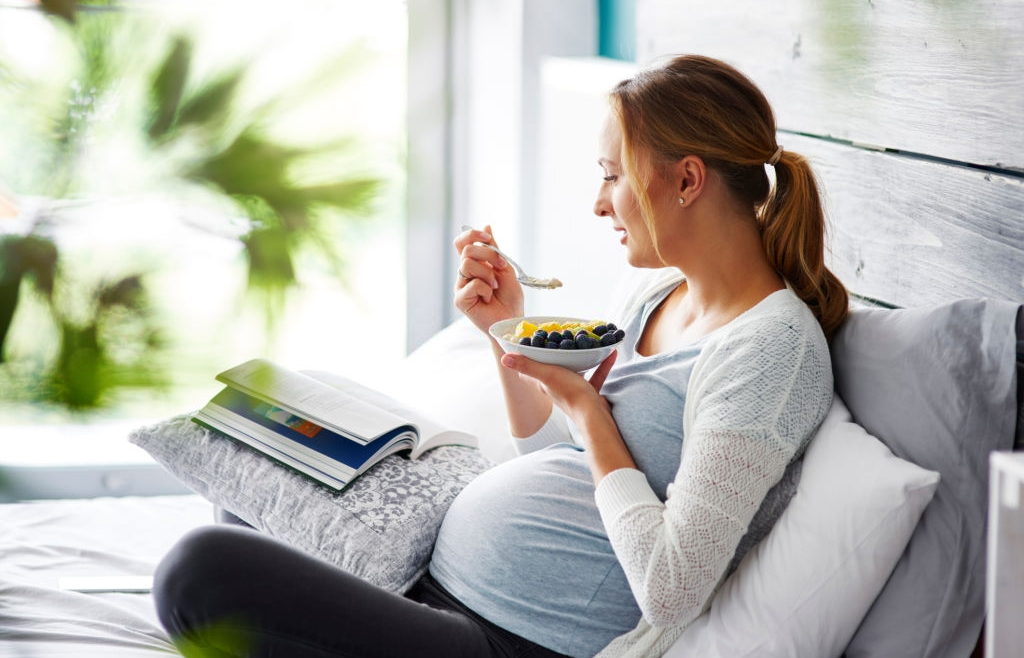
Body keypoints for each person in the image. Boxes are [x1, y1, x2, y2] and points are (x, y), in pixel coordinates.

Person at [153, 54, 848, 658]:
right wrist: (507, 333)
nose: (599, 203)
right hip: (432, 579)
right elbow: (558, 457)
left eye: (612, 175)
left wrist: (591, 415)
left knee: (198, 570)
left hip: (508, 641)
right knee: (257, 481)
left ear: (688, 181)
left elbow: (671, 588)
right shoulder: (658, 294)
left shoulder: (771, 351)